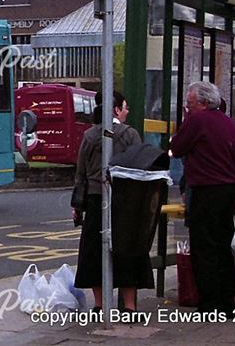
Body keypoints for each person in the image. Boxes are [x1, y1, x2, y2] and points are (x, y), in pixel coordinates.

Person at [170, 81, 235, 316]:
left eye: (190, 103)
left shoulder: (197, 120)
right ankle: (227, 302)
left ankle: (209, 303)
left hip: (205, 191)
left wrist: (184, 121)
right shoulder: (232, 125)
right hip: (228, 192)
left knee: (204, 249)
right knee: (223, 247)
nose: (188, 107)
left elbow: (177, 147)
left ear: (202, 103)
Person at [73, 91, 151, 312]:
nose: (127, 111)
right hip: (126, 202)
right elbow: (141, 168)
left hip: (96, 200)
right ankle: (129, 307)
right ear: (116, 110)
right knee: (128, 252)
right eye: (125, 107)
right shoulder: (130, 135)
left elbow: (80, 173)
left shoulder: (89, 136)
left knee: (94, 253)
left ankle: (99, 306)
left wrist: (78, 206)